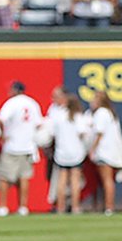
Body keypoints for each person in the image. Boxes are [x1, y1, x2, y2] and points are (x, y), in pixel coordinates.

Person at [0, 81, 42, 216]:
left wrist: (3, 135)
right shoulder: (32, 103)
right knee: (24, 177)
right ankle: (23, 207)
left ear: (15, 90)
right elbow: (39, 124)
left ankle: (3, 207)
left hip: (12, 145)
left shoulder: (12, 103)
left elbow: (1, 119)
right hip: (28, 145)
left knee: (4, 177)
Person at [44, 86, 89, 214]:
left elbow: (51, 132)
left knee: (61, 180)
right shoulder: (78, 116)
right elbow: (83, 132)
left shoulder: (58, 116)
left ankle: (61, 207)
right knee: (75, 180)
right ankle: (75, 207)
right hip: (76, 151)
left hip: (61, 152)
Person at [85, 92, 122, 215]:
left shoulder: (101, 113)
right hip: (110, 151)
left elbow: (99, 133)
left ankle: (109, 207)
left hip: (105, 152)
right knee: (106, 180)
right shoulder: (109, 113)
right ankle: (106, 206)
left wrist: (92, 149)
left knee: (107, 180)